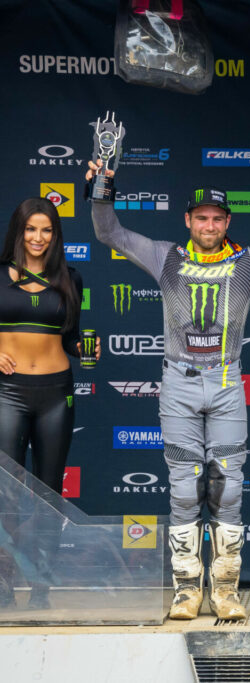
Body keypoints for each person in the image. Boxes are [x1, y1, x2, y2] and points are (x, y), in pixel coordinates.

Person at [87, 159, 250, 620]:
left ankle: (227, 590)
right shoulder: (165, 257)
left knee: (228, 488)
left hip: (225, 380)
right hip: (177, 381)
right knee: (182, 488)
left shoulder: (248, 263)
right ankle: (186, 590)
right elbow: (108, 233)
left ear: (228, 221)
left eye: (217, 218)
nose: (210, 225)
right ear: (188, 220)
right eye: (202, 217)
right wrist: (102, 186)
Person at [0, 197, 96, 608]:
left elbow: (72, 338)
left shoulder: (71, 278)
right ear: (18, 232)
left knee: (48, 493)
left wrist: (87, 350)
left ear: (55, 235)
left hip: (57, 393)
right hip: (7, 392)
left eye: (46, 230)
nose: (38, 238)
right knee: (4, 492)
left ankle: (41, 588)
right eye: (30, 229)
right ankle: (3, 584)